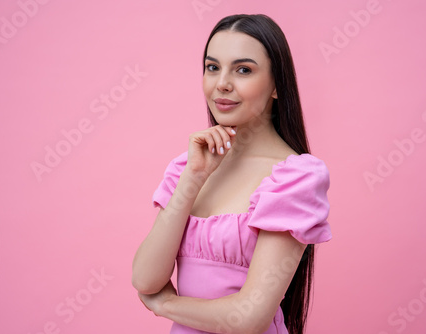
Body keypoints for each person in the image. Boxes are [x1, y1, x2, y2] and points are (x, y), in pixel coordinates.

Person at [132, 14, 332, 334]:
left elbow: (249, 317)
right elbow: (145, 278)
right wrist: (194, 178)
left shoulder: (295, 178)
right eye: (213, 67)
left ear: (277, 85)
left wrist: (165, 305)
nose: (222, 83)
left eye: (243, 70)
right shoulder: (188, 167)